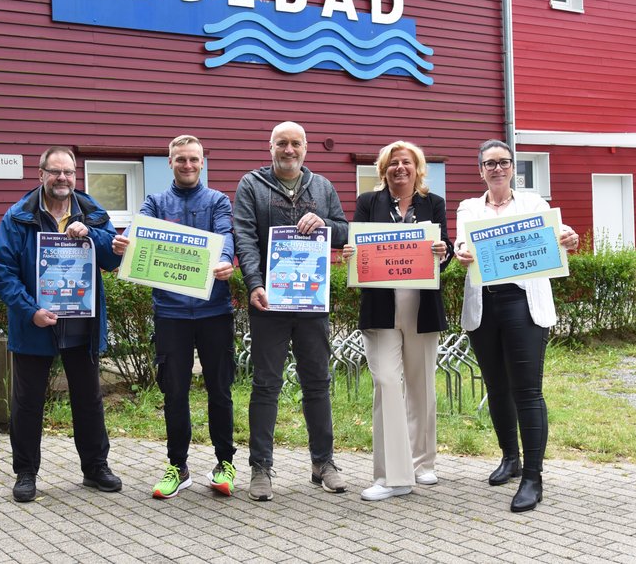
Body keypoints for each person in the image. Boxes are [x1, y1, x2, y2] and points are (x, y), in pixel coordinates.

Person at [0, 146, 123, 503]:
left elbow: (112, 258)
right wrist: (29, 310)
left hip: (82, 325)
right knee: (28, 403)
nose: (62, 178)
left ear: (75, 176)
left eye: (68, 172)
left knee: (89, 400)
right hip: (35, 324)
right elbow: (0, 271)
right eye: (55, 172)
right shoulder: (18, 216)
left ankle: (95, 467)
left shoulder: (92, 212)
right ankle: (26, 473)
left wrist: (92, 234)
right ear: (41, 174)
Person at [454, 139, 579, 513]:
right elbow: (462, 242)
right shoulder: (469, 207)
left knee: (527, 391)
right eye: (489, 163)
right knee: (496, 387)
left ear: (513, 168)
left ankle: (533, 478)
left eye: (503, 162)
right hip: (484, 304)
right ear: (480, 170)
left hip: (523, 303)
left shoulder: (533, 204)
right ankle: (511, 458)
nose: (497, 169)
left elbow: (556, 231)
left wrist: (567, 237)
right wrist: (462, 251)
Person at [111, 135, 238, 499]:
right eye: (180, 159)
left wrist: (225, 260)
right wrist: (123, 242)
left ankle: (224, 463)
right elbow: (138, 230)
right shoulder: (155, 202)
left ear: (202, 162)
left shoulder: (217, 200)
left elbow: (225, 234)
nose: (187, 165)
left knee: (220, 390)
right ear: (170, 162)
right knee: (175, 392)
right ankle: (177, 467)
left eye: (193, 159)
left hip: (214, 310)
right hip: (171, 312)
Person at [232, 121, 350, 502]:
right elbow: (244, 236)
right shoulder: (251, 185)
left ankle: (323, 463)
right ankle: (260, 467)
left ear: (305, 148)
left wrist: (325, 223)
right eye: (281, 143)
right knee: (266, 384)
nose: (289, 150)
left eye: (295, 143)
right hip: (270, 302)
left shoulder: (323, 187)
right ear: (270, 147)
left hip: (312, 302)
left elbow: (344, 231)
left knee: (317, 382)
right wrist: (254, 283)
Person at [342, 141, 452, 501]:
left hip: (422, 306)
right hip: (381, 308)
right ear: (383, 170)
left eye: (406, 162)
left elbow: (446, 249)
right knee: (387, 383)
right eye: (392, 163)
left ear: (417, 168)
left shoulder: (433, 203)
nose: (399, 168)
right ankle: (392, 476)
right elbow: (359, 249)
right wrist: (351, 253)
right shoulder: (368, 202)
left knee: (421, 386)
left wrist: (443, 251)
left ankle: (422, 462)